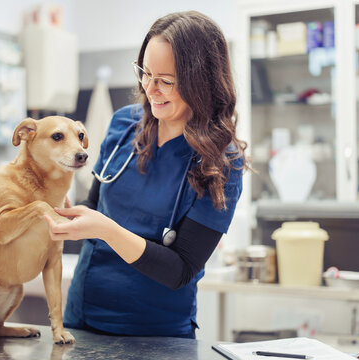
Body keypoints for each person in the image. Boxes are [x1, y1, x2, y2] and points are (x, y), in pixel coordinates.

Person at [43, 10, 248, 339]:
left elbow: (180, 270)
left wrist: (108, 231)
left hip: (156, 336)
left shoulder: (221, 163)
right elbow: (94, 206)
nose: (150, 89)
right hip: (81, 321)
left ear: (201, 82)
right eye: (145, 73)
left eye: (166, 81)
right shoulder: (124, 125)